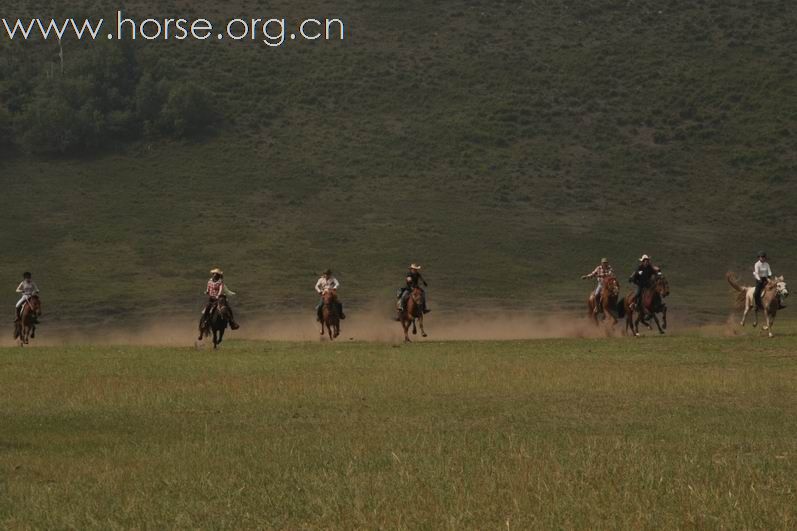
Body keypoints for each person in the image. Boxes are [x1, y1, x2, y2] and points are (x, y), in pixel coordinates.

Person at [199, 268, 239, 337]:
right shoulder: (209, 281)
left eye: (216, 274)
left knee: (227, 308)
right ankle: (204, 322)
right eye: (213, 274)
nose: (214, 275)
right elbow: (208, 289)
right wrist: (207, 292)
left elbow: (220, 290)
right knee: (207, 308)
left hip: (220, 298)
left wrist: (218, 295)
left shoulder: (220, 282)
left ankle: (232, 322)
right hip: (212, 299)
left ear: (218, 275)